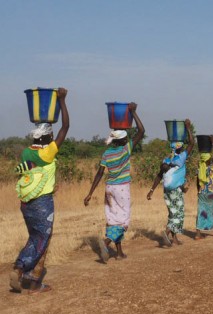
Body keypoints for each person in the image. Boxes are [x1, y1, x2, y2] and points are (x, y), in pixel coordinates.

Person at [10, 88, 70, 294]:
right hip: (43, 204)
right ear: (47, 137)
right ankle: (26, 274)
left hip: (26, 204)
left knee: (34, 237)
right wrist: (62, 100)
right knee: (43, 239)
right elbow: (66, 127)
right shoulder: (48, 153)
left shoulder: (27, 151)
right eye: (51, 135)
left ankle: (26, 272)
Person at [84, 103, 145, 262]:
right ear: (123, 140)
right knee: (123, 220)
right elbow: (141, 131)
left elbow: (99, 174)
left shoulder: (107, 154)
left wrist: (90, 193)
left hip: (109, 188)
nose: (127, 139)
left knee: (113, 219)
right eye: (125, 137)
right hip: (122, 188)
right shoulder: (126, 149)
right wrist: (134, 112)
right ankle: (105, 243)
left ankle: (119, 253)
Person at [147, 120, 194, 246]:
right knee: (179, 213)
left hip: (166, 191)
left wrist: (151, 190)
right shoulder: (181, 157)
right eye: (182, 146)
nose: (184, 147)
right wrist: (188, 128)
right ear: (180, 148)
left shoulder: (166, 160)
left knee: (172, 212)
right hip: (175, 190)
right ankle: (167, 232)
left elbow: (159, 175)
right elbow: (192, 143)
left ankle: (175, 238)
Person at [194, 135, 213, 240]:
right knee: (212, 210)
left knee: (201, 210)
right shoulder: (210, 166)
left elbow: (197, 180)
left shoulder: (199, 166)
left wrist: (198, 190)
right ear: (208, 158)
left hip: (202, 191)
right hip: (210, 192)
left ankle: (198, 233)